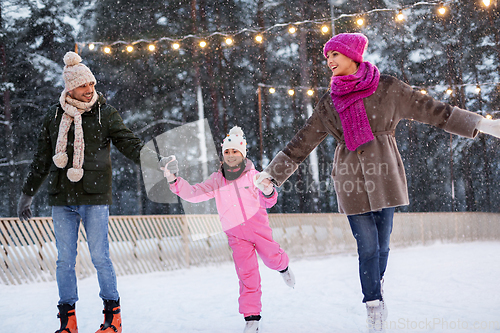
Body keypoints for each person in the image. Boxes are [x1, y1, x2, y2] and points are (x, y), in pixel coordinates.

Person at [253, 33, 500, 332]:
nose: (329, 61)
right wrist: (272, 175)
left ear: (352, 55)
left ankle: (376, 284)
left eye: (334, 55)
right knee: (367, 246)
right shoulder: (329, 103)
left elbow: (434, 111)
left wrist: (481, 124)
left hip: (385, 176)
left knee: (383, 246)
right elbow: (302, 141)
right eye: (326, 56)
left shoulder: (388, 88)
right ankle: (373, 303)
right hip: (350, 179)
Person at [16, 51, 177, 333]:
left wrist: (157, 162)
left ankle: (112, 318)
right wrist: (27, 194)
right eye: (82, 85)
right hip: (61, 198)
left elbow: (130, 144)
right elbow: (42, 159)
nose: (89, 89)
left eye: (91, 83)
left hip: (94, 196)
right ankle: (68, 321)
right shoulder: (53, 117)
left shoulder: (105, 113)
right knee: (64, 260)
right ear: (70, 87)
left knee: (100, 257)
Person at [162, 126, 295, 333]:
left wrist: (268, 190)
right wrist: (173, 180)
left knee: (272, 259)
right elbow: (194, 193)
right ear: (222, 155)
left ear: (243, 153)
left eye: (235, 152)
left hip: (259, 230)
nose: (231, 156)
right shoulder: (217, 179)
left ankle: (283, 267)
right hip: (236, 235)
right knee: (247, 274)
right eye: (227, 152)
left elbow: (270, 201)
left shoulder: (254, 176)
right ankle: (252, 319)